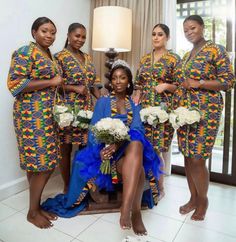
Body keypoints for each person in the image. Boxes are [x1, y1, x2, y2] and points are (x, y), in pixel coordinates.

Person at [42, 60, 161, 235]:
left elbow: (137, 129)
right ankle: (134, 212)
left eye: (122, 78)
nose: (118, 81)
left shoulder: (134, 105)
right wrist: (105, 147)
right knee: (140, 171)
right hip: (106, 154)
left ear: (129, 81)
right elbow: (93, 131)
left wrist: (119, 142)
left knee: (136, 142)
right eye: (114, 78)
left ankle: (127, 210)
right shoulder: (103, 102)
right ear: (111, 82)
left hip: (127, 151)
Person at [175, 15, 234, 220]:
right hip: (185, 114)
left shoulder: (215, 50)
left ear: (202, 27)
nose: (189, 32)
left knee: (198, 158)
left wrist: (199, 83)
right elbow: (183, 83)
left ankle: (203, 201)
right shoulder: (187, 55)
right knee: (187, 156)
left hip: (206, 113)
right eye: (186, 30)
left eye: (192, 28)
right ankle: (193, 198)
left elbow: (228, 81)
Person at [7, 17, 63, 228]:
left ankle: (36, 207)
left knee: (39, 164)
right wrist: (51, 81)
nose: (49, 35)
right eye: (44, 31)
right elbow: (15, 85)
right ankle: (32, 212)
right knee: (43, 165)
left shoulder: (49, 55)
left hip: (47, 116)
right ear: (34, 32)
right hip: (31, 117)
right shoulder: (24, 52)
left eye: (52, 32)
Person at [133, 24, 182, 200]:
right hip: (144, 110)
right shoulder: (145, 59)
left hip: (163, 112)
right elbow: (138, 83)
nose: (156, 37)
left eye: (160, 34)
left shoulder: (174, 59)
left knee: (157, 150)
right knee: (144, 148)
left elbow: (181, 85)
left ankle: (160, 188)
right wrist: (137, 95)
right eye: (153, 34)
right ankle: (145, 185)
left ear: (167, 37)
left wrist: (167, 86)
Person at [55, 23, 100, 193]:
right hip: (68, 110)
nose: (80, 40)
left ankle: (82, 182)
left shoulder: (87, 57)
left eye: (83, 37)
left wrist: (102, 99)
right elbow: (55, 85)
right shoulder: (59, 57)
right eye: (77, 36)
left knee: (85, 147)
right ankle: (67, 186)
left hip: (87, 109)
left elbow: (94, 83)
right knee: (65, 147)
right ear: (68, 35)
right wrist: (74, 88)